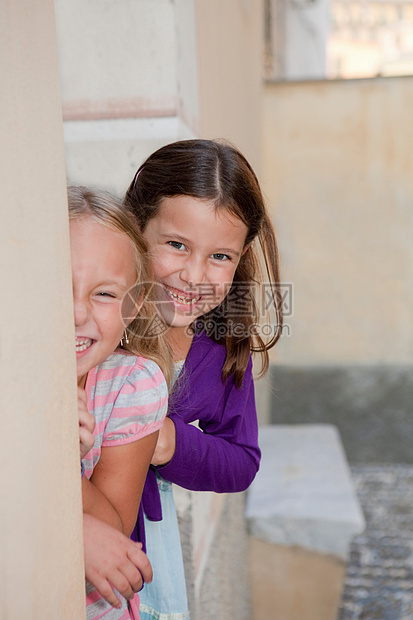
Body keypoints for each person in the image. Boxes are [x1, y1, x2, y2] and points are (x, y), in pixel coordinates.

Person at [123, 139, 283, 620]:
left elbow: (241, 459)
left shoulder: (217, 353)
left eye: (220, 257)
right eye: (176, 245)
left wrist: (168, 443)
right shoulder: (99, 328)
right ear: (136, 229)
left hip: (151, 560)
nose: (194, 275)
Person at [68, 186, 172, 619]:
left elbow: (113, 528)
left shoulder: (131, 385)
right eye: (58, 286)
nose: (76, 313)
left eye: (104, 294)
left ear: (134, 306)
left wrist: (62, 468)